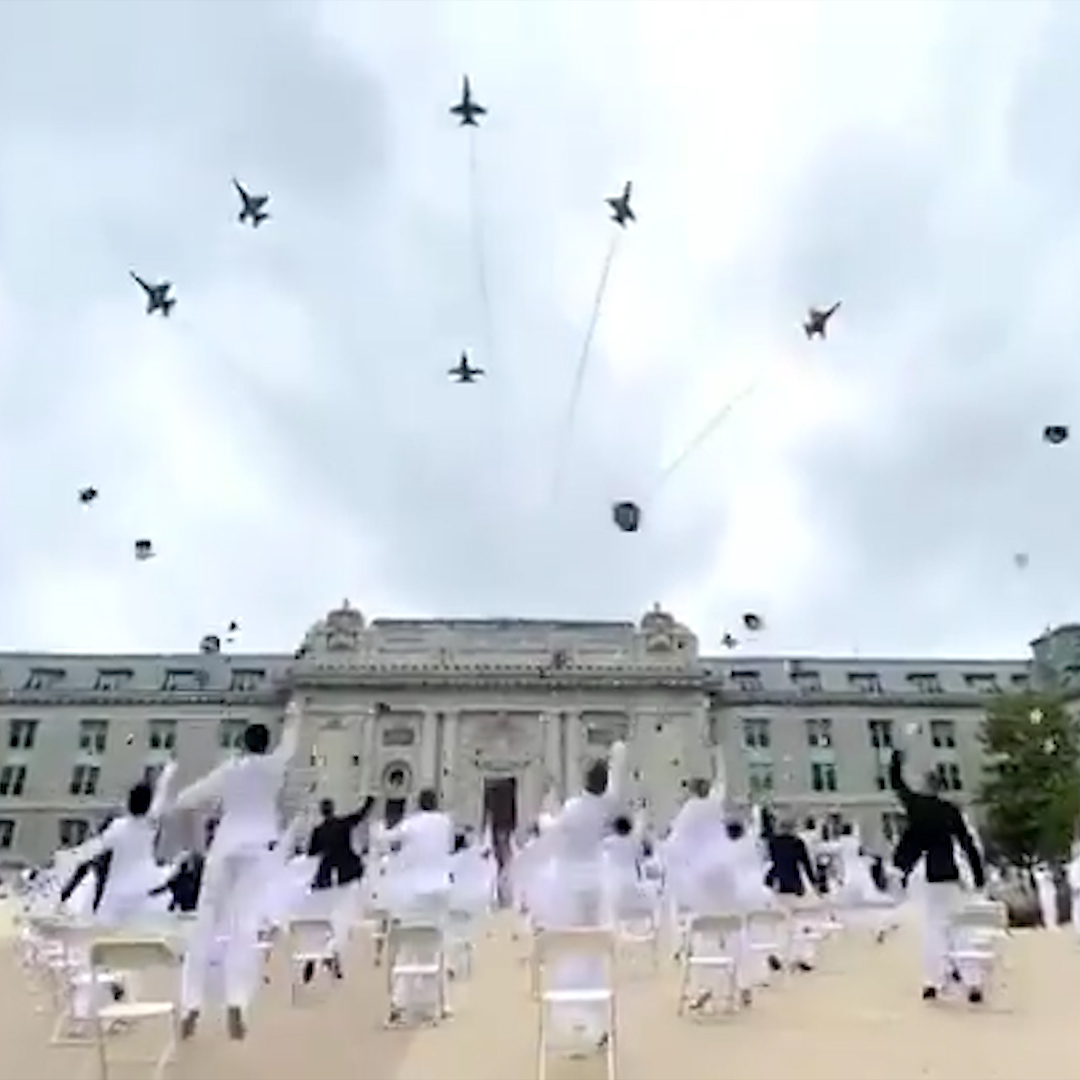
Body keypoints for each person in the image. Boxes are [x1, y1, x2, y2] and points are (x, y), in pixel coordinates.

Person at [170, 701, 302, 1040]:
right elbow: (291, 743)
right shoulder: (274, 767)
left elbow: (186, 800)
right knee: (244, 929)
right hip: (257, 848)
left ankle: (191, 1006)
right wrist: (294, 714)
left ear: (243, 744)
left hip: (225, 846)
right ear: (265, 743)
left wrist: (194, 836)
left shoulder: (230, 770)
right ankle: (237, 1004)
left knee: (205, 926)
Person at [889, 748, 985, 1003]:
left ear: (924, 786)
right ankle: (972, 981)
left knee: (934, 930)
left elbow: (897, 785)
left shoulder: (918, 807)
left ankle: (933, 981)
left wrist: (896, 761)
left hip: (927, 873)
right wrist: (978, 876)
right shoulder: (950, 811)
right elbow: (967, 843)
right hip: (950, 871)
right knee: (960, 928)